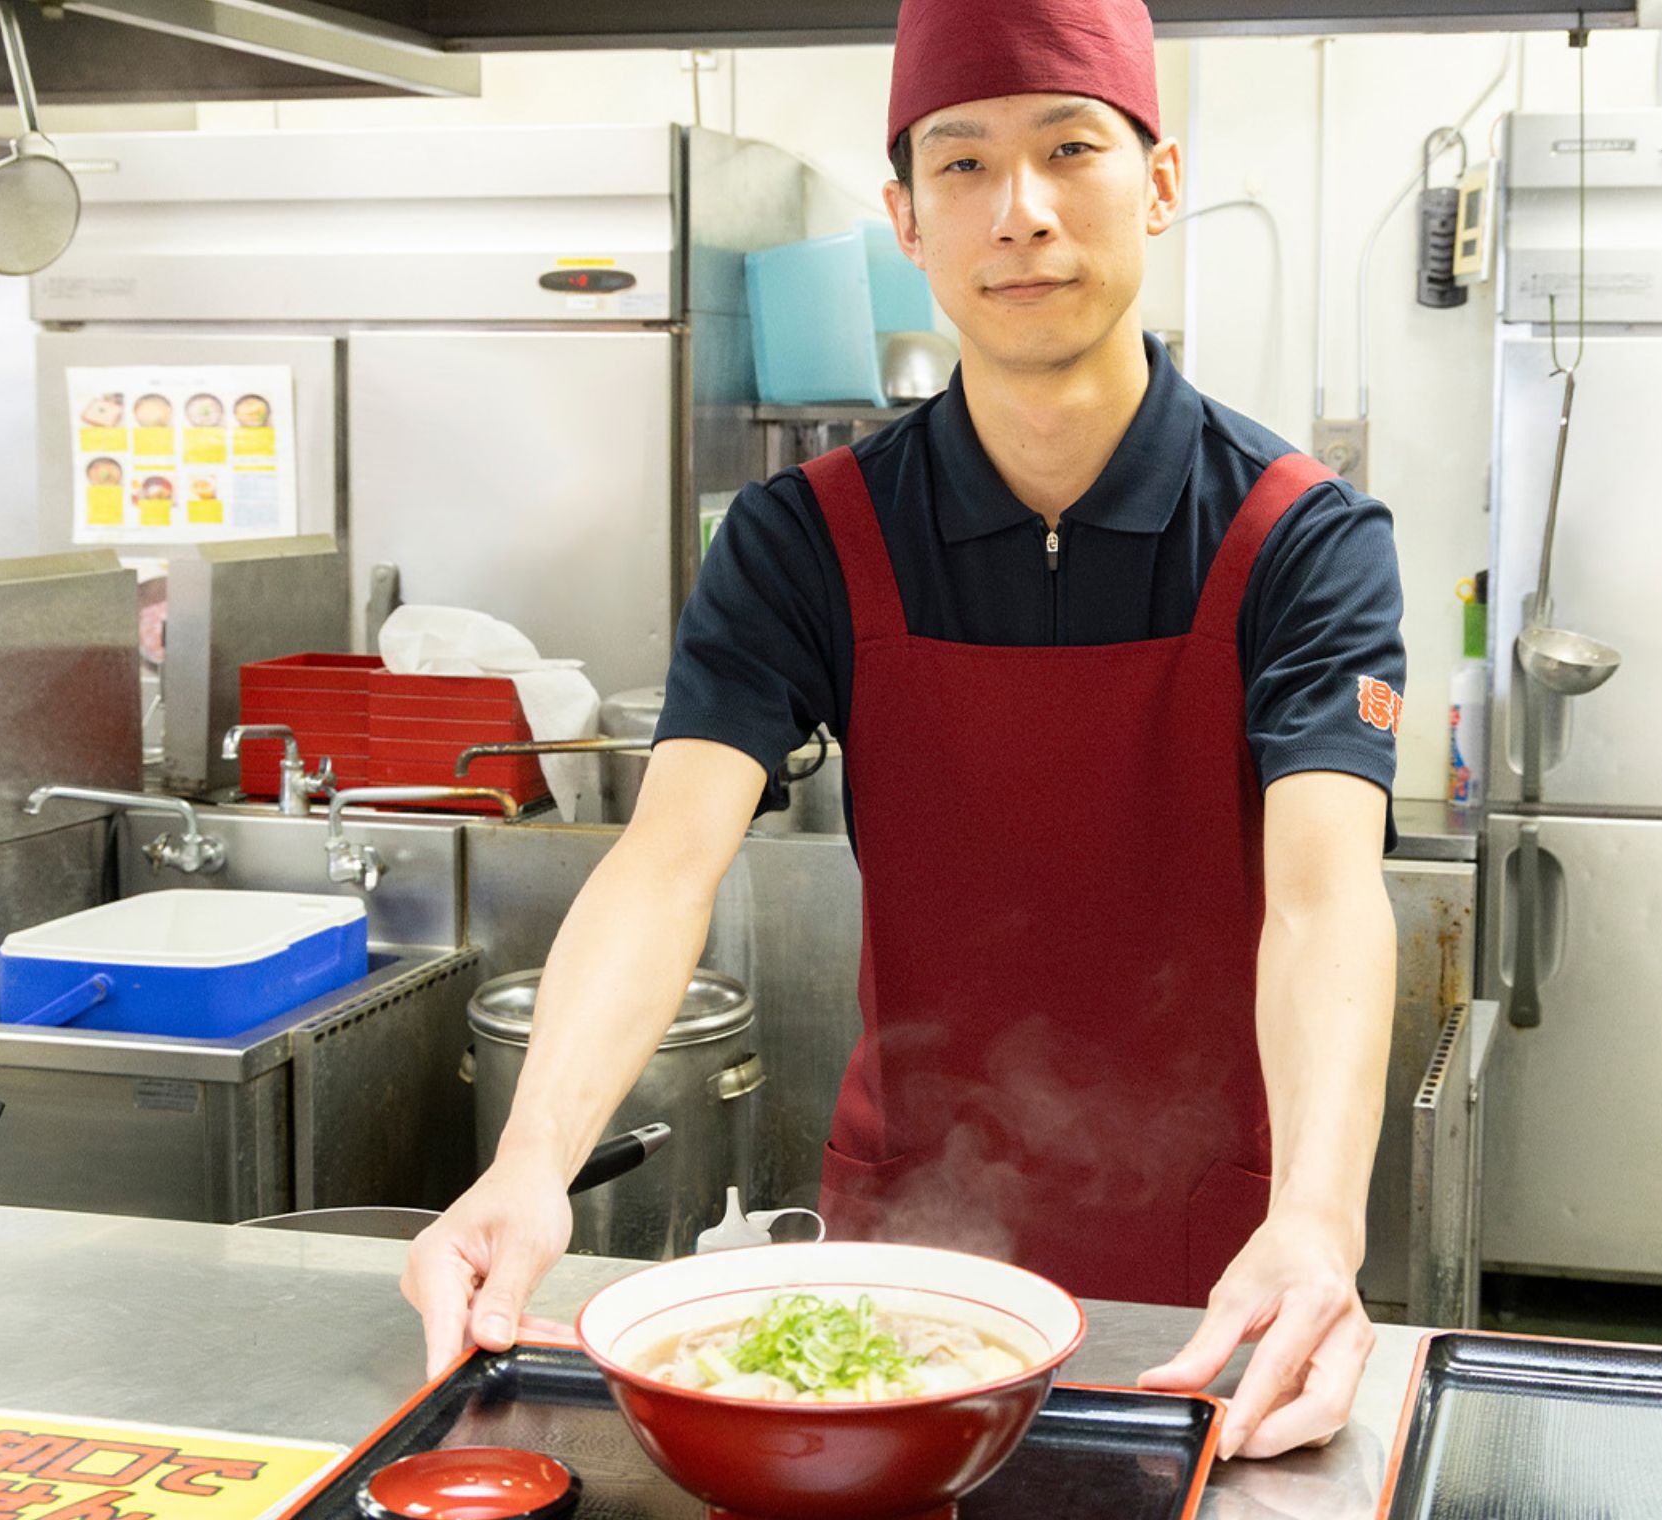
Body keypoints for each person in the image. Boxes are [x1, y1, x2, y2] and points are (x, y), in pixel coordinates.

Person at [401, 0, 1404, 1460]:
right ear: (908, 219)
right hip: (911, 1247)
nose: (1021, 212)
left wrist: (1319, 1217)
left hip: (1223, 1256)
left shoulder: (1300, 539)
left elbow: (1325, 901)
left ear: (1162, 184)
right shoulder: (807, 538)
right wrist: (530, 1164)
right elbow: (665, 865)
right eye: (963, 163)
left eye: (1072, 150)